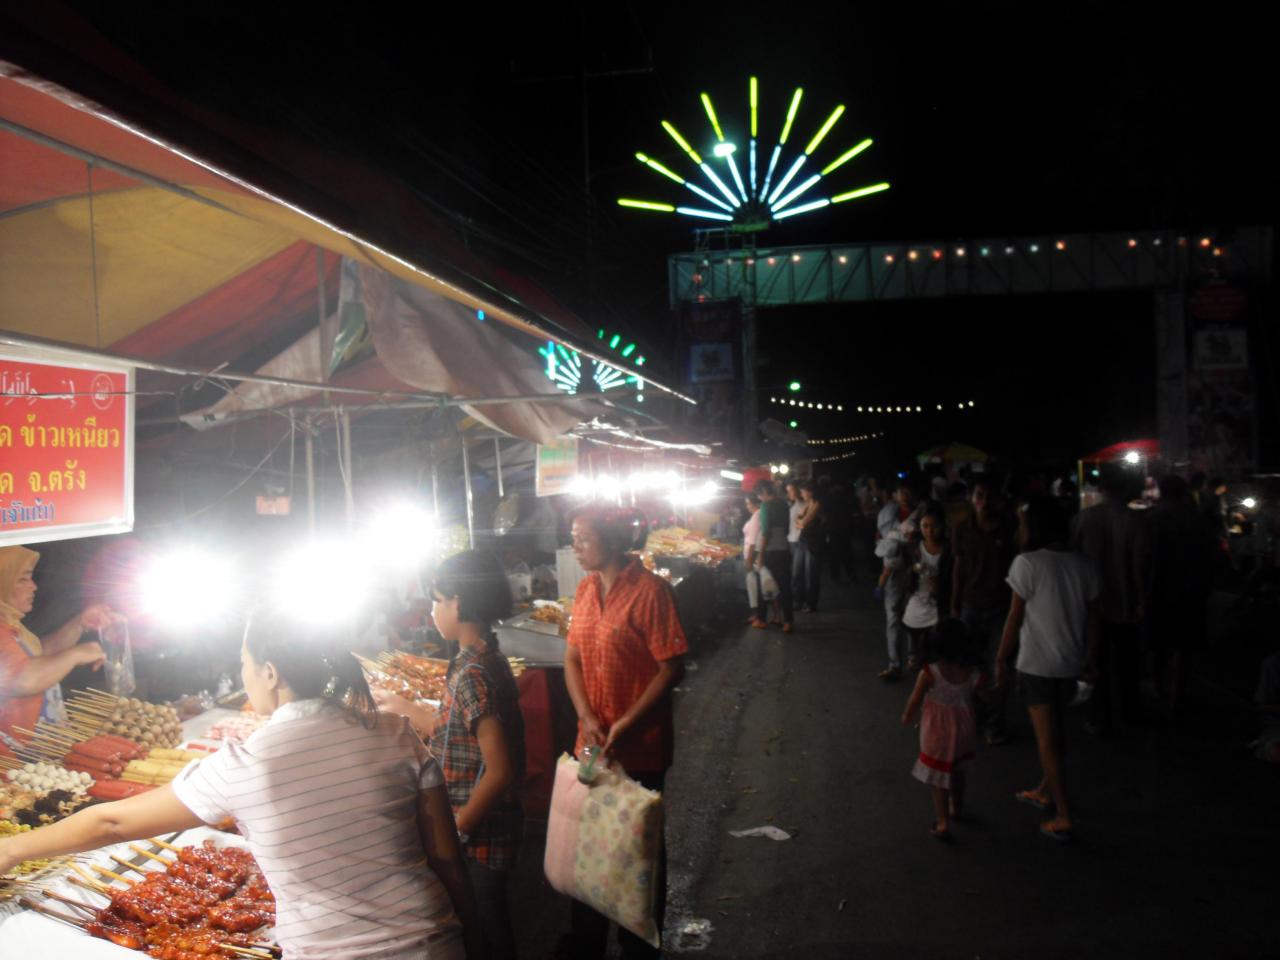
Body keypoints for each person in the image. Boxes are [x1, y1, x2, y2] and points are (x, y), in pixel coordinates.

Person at [0, 606, 481, 959]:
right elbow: (446, 858)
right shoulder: (396, 734)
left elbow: (110, 822)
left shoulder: (247, 762)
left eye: (245, 663)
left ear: (270, 672)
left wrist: (11, 850)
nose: (244, 675)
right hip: (434, 940)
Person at [376, 550, 525, 960]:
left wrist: (457, 830)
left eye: (437, 600)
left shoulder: (473, 674)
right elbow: (454, 729)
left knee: (488, 933)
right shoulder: (480, 658)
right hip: (483, 830)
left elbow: (500, 769)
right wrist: (403, 709)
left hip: (481, 838)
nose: (432, 611)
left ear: (457, 602)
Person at [561, 507, 687, 959]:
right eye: (573, 537)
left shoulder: (651, 592)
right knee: (588, 843)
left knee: (639, 848)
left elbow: (671, 665)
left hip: (640, 749)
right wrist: (585, 714)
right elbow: (572, 658)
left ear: (612, 541)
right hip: (592, 745)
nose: (574, 546)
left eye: (583, 538)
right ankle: (588, 941)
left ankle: (640, 943)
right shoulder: (584, 588)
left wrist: (628, 720)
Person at [995, 497, 1100, 842]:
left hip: (1037, 665)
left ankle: (1064, 814)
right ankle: (1044, 789)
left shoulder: (1027, 564)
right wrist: (1090, 659)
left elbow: (1014, 616)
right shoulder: (1085, 565)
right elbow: (1095, 621)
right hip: (1070, 663)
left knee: (1047, 741)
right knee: (1057, 736)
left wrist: (1000, 658)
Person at [0, 545, 111, 756]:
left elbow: (41, 656)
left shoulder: (12, 626)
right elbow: (23, 679)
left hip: (38, 755)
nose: (34, 586)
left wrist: (80, 623)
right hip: (12, 765)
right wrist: (75, 655)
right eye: (23, 579)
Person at [1070, 464, 1149, 735]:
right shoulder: (1134, 520)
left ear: (1101, 488)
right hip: (1124, 603)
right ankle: (1131, 712)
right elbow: (1138, 565)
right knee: (1128, 663)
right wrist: (1140, 600)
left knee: (1096, 660)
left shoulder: (1083, 519)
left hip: (1092, 605)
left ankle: (1099, 715)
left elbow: (1074, 561)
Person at [901, 618, 985, 840]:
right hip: (965, 731)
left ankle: (942, 823)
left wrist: (907, 715)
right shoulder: (973, 673)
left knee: (939, 778)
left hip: (936, 733)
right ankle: (956, 807)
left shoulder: (930, 672)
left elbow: (915, 699)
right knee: (958, 771)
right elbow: (986, 696)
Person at [950, 478, 1018, 745]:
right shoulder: (962, 529)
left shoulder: (1008, 528)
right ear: (971, 498)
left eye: (989, 496)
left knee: (999, 667)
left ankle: (994, 724)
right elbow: (958, 568)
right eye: (979, 496)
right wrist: (954, 603)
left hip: (1000, 607)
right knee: (968, 666)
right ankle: (975, 717)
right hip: (970, 604)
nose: (984, 502)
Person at [1145, 475, 1217, 720]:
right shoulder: (1197, 519)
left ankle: (1158, 687)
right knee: (1184, 646)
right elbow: (1211, 556)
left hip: (1160, 590)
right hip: (1191, 590)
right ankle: (1177, 696)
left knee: (1158, 644)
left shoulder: (1152, 519)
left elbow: (1146, 560)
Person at [902, 506, 951, 672]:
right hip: (917, 596)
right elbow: (906, 570)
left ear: (942, 526)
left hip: (938, 602)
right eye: (925, 526)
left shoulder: (948, 550)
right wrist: (913, 570)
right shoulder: (914, 547)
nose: (929, 531)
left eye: (934, 526)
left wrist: (939, 583)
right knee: (912, 626)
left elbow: (953, 576)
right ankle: (913, 656)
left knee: (935, 640)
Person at [755, 480, 795, 632]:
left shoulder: (766, 506)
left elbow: (765, 532)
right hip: (784, 549)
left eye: (759, 495)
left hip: (770, 551)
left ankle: (761, 619)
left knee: (763, 585)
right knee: (785, 587)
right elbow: (786, 528)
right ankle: (788, 622)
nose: (759, 498)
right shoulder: (784, 504)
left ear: (764, 492)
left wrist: (761, 555)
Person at [793, 481, 824, 613]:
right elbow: (797, 522)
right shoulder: (807, 505)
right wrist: (801, 522)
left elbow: (803, 523)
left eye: (803, 491)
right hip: (803, 541)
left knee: (811, 574)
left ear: (810, 491)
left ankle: (811, 604)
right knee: (797, 572)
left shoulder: (817, 504)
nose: (801, 493)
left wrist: (801, 522)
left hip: (813, 542)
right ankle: (799, 601)